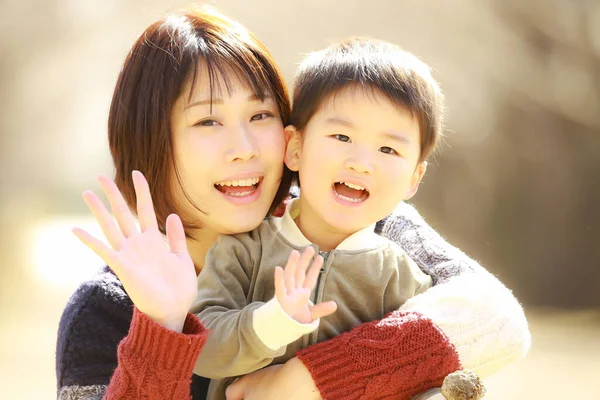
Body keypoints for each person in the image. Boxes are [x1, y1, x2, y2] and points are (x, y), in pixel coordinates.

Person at [55, 6, 530, 400]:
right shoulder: (104, 311)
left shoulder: (360, 223)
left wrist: (304, 380)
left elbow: (494, 320)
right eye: (207, 122)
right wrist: (161, 327)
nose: (244, 148)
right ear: (151, 140)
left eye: (260, 114)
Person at [190, 37, 457, 399]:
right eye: (342, 136)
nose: (361, 162)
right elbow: (199, 349)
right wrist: (274, 321)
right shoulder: (244, 250)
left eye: (388, 149)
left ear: (414, 178)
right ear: (295, 148)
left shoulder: (401, 277)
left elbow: (420, 373)